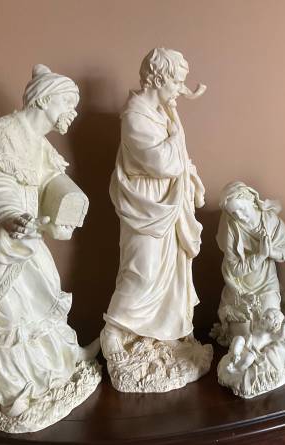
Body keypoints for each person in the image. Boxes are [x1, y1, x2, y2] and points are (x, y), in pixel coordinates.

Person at [0, 64, 100, 430]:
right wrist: (9, 219)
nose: (73, 112)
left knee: (42, 295)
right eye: (68, 103)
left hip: (27, 235)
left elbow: (50, 180)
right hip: (0, 242)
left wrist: (67, 202)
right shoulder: (4, 133)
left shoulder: (37, 142)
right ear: (45, 100)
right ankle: (15, 392)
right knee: (10, 315)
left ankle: (64, 360)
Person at [102, 48, 206, 361]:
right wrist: (177, 136)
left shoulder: (163, 111)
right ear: (158, 79)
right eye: (176, 82)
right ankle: (113, 331)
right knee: (142, 270)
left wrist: (192, 179)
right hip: (146, 206)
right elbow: (162, 162)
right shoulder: (135, 116)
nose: (180, 89)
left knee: (170, 272)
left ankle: (163, 332)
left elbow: (180, 159)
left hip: (168, 202)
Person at [211, 181, 285, 345]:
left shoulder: (271, 221)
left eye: (241, 209)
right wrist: (261, 255)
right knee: (244, 337)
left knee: (270, 329)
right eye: (233, 213)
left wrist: (270, 252)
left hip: (267, 284)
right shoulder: (231, 227)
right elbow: (234, 269)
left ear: (251, 199)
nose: (239, 216)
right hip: (240, 289)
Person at [218, 308, 285, 398]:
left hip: (252, 351)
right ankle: (235, 355)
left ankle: (236, 369)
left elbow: (281, 336)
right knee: (239, 339)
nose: (263, 318)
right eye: (263, 316)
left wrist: (283, 326)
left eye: (267, 318)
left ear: (275, 324)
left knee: (249, 358)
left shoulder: (271, 336)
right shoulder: (257, 328)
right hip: (246, 343)